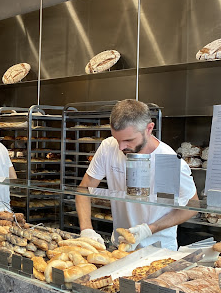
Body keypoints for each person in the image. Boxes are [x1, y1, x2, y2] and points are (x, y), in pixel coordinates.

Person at [76, 99, 198, 251]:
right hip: (120, 247)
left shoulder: (165, 161)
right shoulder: (108, 147)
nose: (121, 147)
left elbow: (192, 206)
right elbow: (84, 190)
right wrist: (86, 229)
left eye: (129, 140)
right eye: (117, 139)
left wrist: (150, 229)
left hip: (157, 251)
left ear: (149, 128)